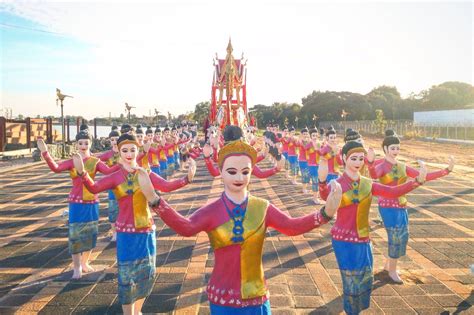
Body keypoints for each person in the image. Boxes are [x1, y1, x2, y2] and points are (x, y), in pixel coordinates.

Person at [135, 125, 344, 314]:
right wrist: (154, 200)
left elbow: (291, 226)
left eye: (245, 171)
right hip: (222, 298)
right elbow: (186, 227)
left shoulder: (262, 207)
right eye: (232, 171)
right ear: (221, 173)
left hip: (257, 296)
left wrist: (325, 213)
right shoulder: (212, 211)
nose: (239, 178)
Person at [73, 133, 196, 315]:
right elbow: (94, 188)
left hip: (146, 229)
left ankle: (138, 311)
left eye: (132, 149)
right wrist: (83, 173)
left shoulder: (145, 173)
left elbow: (166, 186)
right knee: (127, 276)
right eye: (125, 150)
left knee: (146, 273)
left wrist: (187, 178)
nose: (129, 153)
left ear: (138, 151)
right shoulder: (115, 176)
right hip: (125, 233)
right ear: (119, 152)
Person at [318, 140, 427, 315]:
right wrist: (322, 180)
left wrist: (417, 182)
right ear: (344, 158)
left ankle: (357, 311)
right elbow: (324, 197)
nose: (358, 162)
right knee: (352, 281)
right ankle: (351, 312)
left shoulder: (368, 183)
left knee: (365, 279)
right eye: (354, 158)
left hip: (363, 239)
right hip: (343, 240)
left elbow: (393, 192)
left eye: (361, 159)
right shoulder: (336, 183)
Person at [367, 129, 454, 283]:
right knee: (395, 236)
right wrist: (371, 162)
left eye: (397, 148)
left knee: (402, 236)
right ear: (385, 149)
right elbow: (373, 175)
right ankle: (392, 271)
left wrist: (446, 170)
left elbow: (424, 177)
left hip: (401, 205)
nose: (395, 151)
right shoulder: (381, 165)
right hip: (387, 206)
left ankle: (389, 265)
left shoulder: (402, 166)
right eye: (392, 148)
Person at [37, 125, 119, 279]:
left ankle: (85, 262)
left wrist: (124, 162)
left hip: (92, 202)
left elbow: (109, 171)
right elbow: (56, 168)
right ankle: (76, 267)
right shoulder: (72, 161)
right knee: (75, 234)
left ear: (90, 144)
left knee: (91, 233)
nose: (83, 146)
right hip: (75, 202)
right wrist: (45, 152)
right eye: (80, 143)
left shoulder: (95, 161)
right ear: (76, 144)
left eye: (86, 143)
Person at [98, 126, 121, 241]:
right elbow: (95, 160)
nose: (115, 141)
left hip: (126, 184)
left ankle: (125, 231)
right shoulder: (108, 154)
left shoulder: (125, 151)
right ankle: (114, 232)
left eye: (117, 139)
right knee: (112, 209)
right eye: (112, 139)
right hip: (112, 185)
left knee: (126, 208)